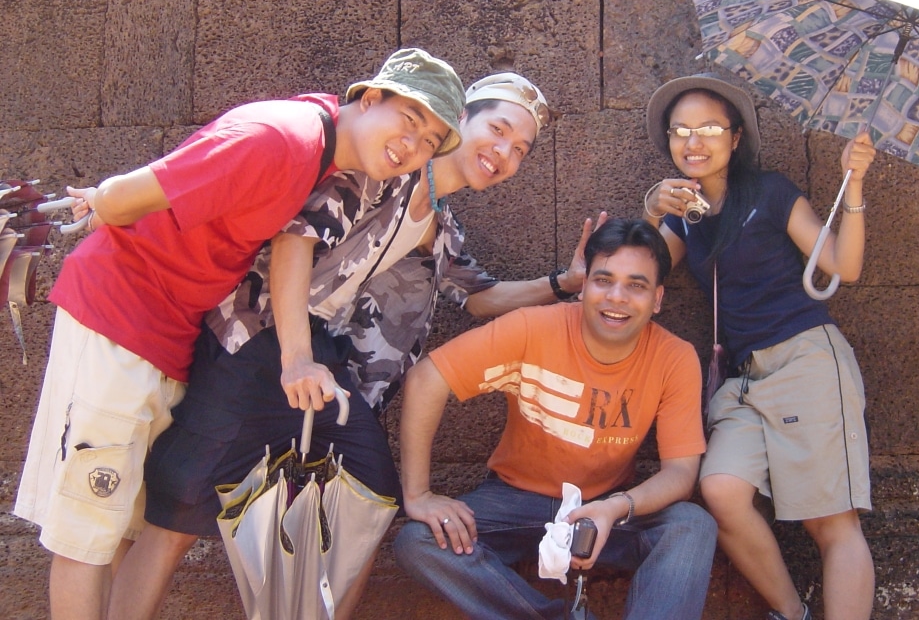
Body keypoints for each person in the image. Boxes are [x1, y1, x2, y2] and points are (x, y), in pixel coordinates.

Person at [109, 73, 606, 620]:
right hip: (251, 336)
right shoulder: (382, 168)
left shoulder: (440, 227)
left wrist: (567, 282)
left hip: (324, 358)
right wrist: (294, 356)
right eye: (498, 130)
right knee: (179, 511)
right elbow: (294, 240)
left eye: (520, 151)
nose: (504, 153)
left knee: (370, 494)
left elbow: (482, 297)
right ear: (457, 121)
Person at [12, 47, 465, 620]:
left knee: (121, 525)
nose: (413, 145)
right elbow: (127, 196)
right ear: (369, 98)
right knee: (88, 524)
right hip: (120, 316)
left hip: (172, 334)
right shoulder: (282, 136)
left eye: (430, 141)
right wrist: (101, 201)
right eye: (410, 121)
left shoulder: (335, 163)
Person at [393, 217, 718, 620]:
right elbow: (426, 378)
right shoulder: (534, 327)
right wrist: (419, 495)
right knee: (419, 540)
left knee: (692, 526)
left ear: (657, 299)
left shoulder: (675, 356)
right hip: (514, 499)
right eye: (603, 280)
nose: (617, 297)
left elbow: (681, 474)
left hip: (606, 507)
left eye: (636, 285)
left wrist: (614, 508)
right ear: (584, 286)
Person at [640, 73, 876, 620]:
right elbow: (643, 271)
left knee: (832, 523)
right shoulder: (685, 212)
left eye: (708, 129)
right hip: (744, 381)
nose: (692, 142)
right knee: (721, 491)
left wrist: (854, 184)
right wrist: (652, 208)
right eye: (680, 131)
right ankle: (791, 613)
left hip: (807, 361)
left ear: (737, 137)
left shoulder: (770, 192)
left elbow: (844, 265)